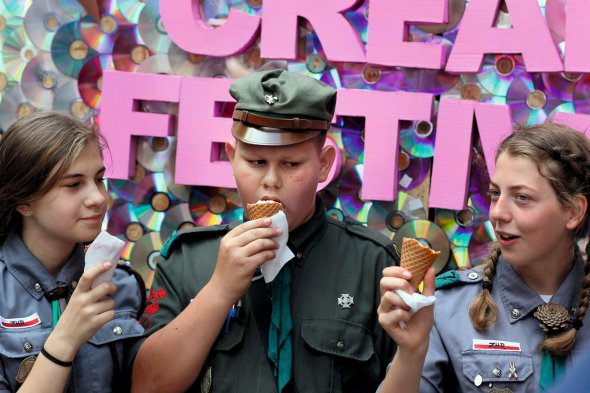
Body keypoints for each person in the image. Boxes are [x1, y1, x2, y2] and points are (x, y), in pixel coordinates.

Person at [129, 69, 398, 392]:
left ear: (324, 163)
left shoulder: (371, 262)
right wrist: (219, 290)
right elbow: (147, 384)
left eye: (291, 164)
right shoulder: (187, 258)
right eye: (255, 162)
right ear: (231, 157)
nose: (271, 181)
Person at [377, 123, 590, 392]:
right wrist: (411, 352)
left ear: (573, 211)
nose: (498, 213)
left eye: (522, 197)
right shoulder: (445, 308)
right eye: (495, 194)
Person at [0, 112, 145, 393]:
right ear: (23, 202)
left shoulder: (123, 284)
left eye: (99, 179)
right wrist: (65, 339)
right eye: (73, 185)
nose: (98, 198)